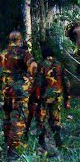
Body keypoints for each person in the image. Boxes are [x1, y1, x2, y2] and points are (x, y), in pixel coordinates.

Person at [0, 30, 37, 159]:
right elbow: (33, 66)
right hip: (19, 91)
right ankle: (13, 150)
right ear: (20, 40)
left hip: (5, 90)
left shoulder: (3, 53)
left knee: (7, 116)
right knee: (19, 118)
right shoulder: (24, 53)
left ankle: (6, 142)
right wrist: (29, 77)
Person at [34, 45, 71, 154]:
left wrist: (36, 97)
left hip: (45, 96)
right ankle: (59, 143)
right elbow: (66, 83)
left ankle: (42, 142)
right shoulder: (60, 65)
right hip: (57, 96)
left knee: (41, 119)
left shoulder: (41, 65)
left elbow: (38, 83)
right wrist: (67, 99)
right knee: (55, 120)